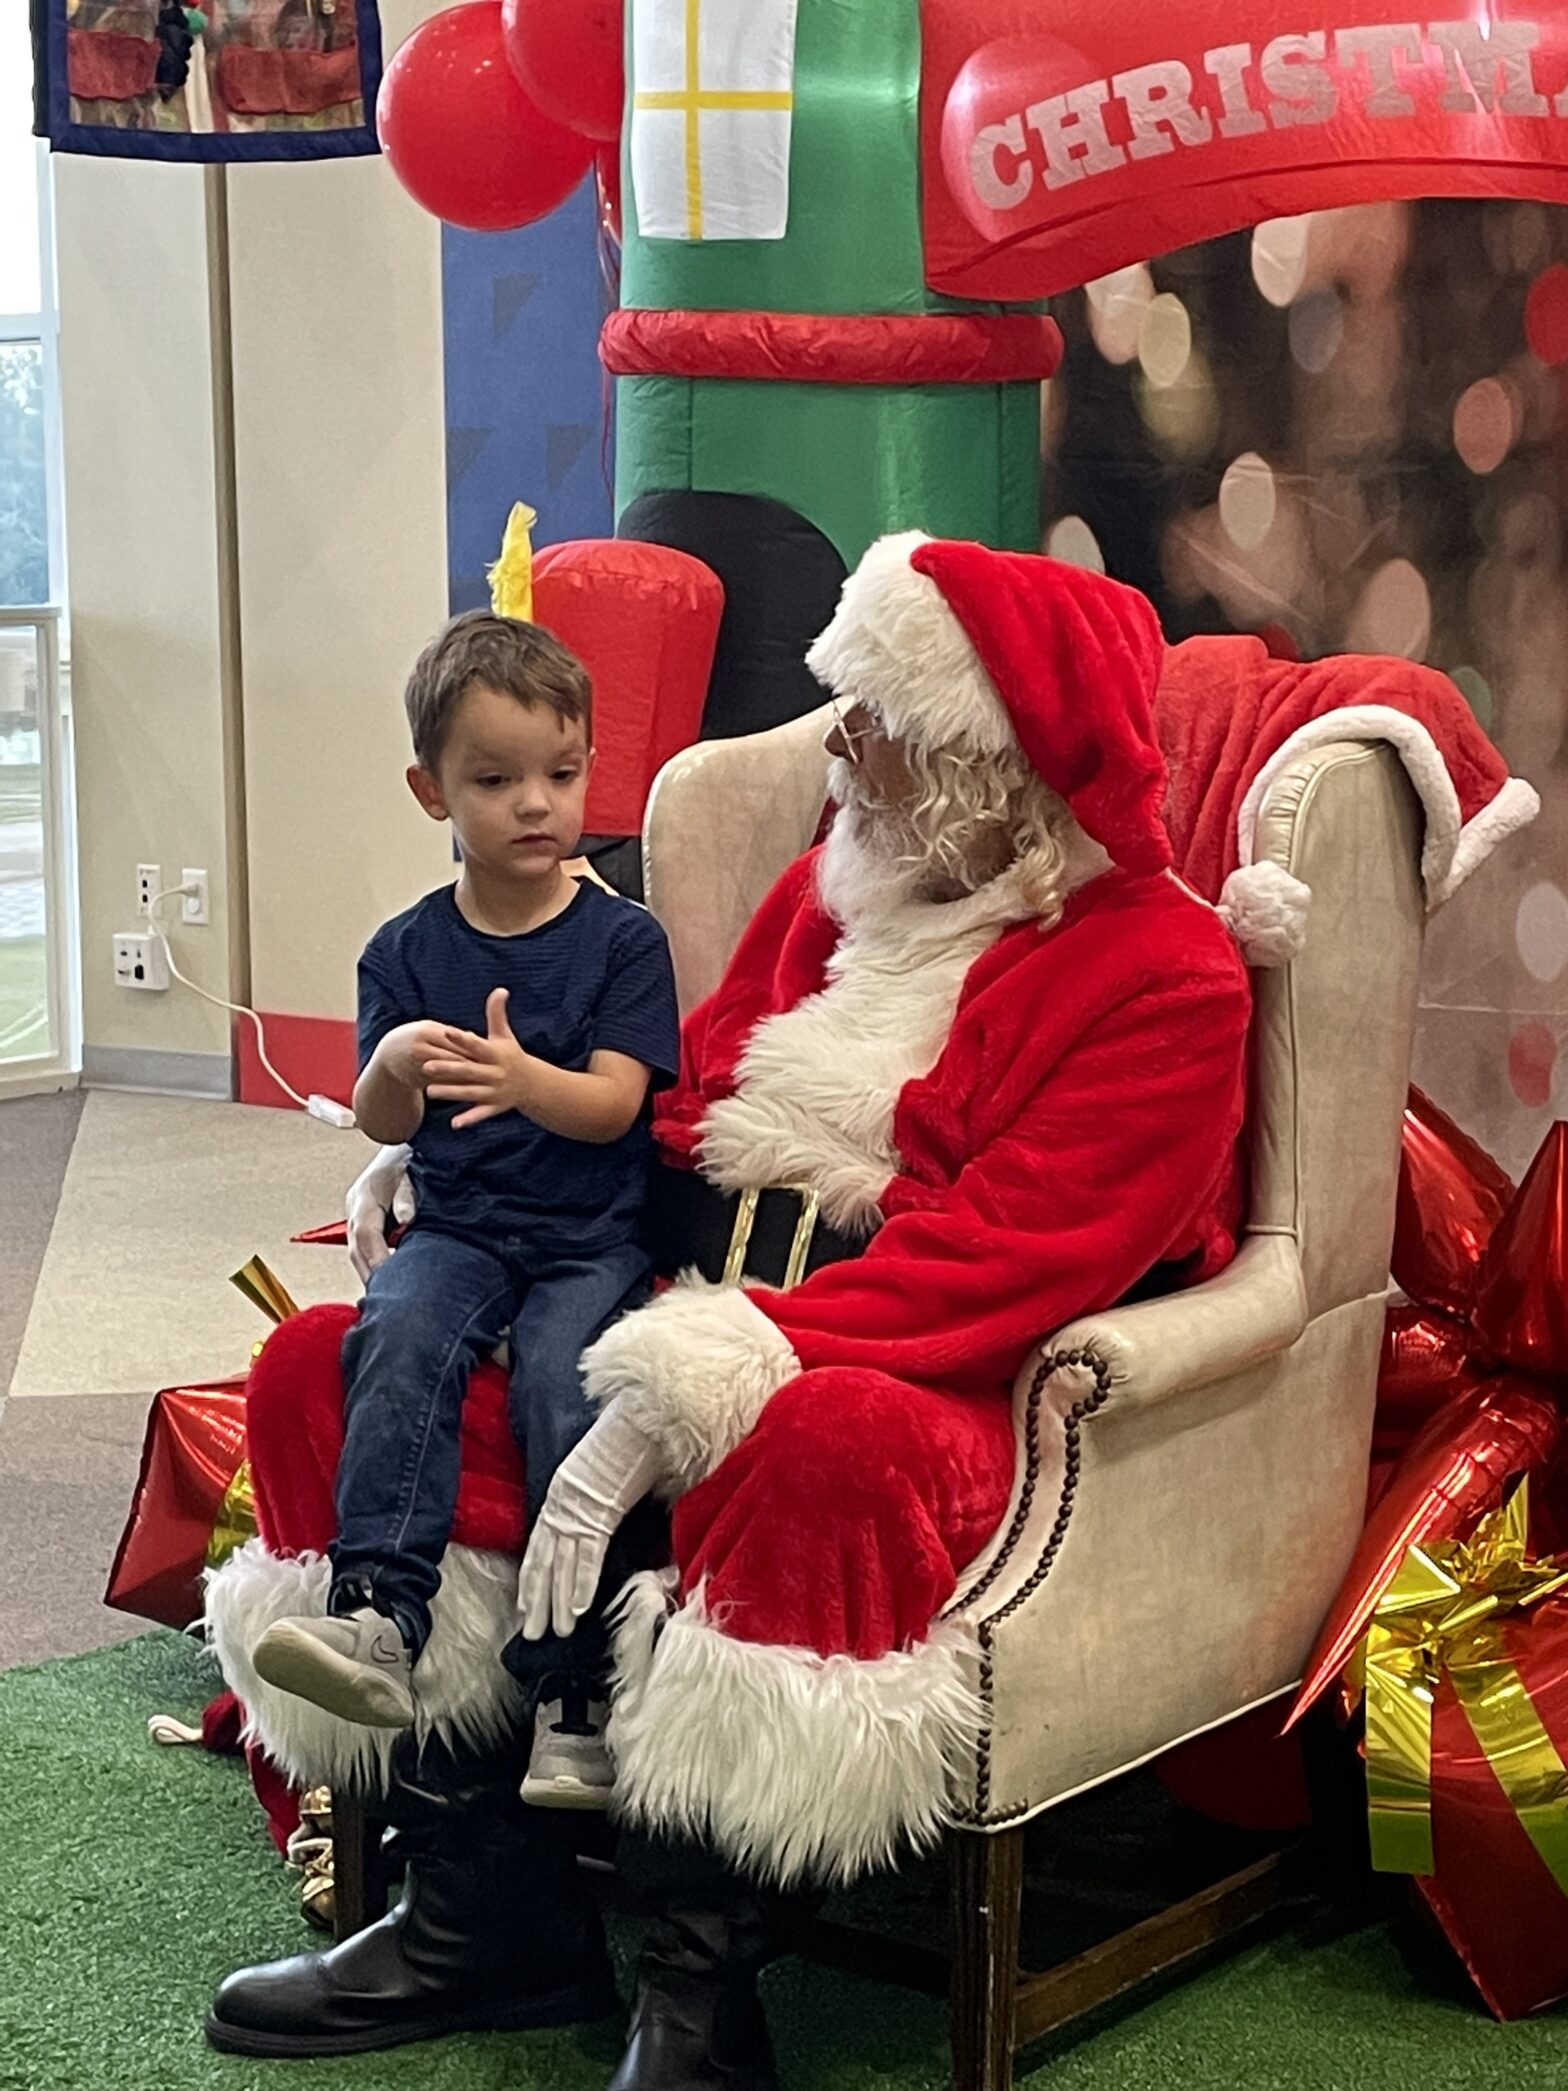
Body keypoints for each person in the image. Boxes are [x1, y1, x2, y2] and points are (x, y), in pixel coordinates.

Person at [207, 538, 1254, 2074]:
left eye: (871, 712)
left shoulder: (1165, 971)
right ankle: (485, 1918)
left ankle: (701, 1988)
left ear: (985, 756)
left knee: (804, 1443)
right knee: (327, 1360)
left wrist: (712, 1362)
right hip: (693, 1283)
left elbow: (1020, 1252)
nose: (836, 739)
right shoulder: (835, 891)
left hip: (935, 1353)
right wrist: (454, 1170)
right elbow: (678, 1113)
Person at [248, 610, 679, 1814]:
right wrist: (392, 1063)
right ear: (429, 789)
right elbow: (383, 1118)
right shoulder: (405, 948)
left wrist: (521, 1081)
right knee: (393, 1334)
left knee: (559, 1383)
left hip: (590, 1241)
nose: (537, 804)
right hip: (459, 1229)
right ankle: (376, 1620)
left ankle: (571, 1686)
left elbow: (612, 1107)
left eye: (562, 772)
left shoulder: (621, 941)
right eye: (495, 780)